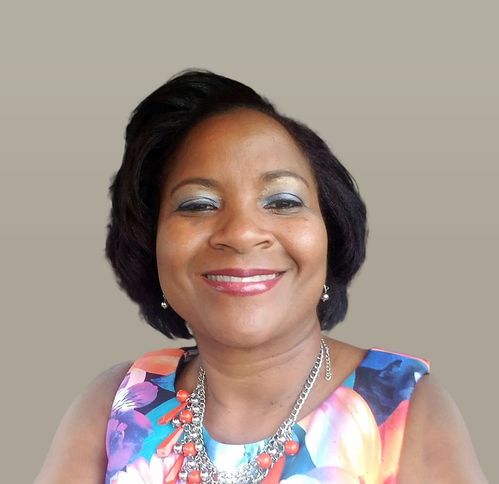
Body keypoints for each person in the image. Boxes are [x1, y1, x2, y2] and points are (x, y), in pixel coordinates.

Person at [36, 69, 486, 483]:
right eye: (198, 204)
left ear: (331, 233)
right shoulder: (117, 401)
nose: (242, 233)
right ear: (150, 243)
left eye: (283, 201)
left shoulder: (406, 408)